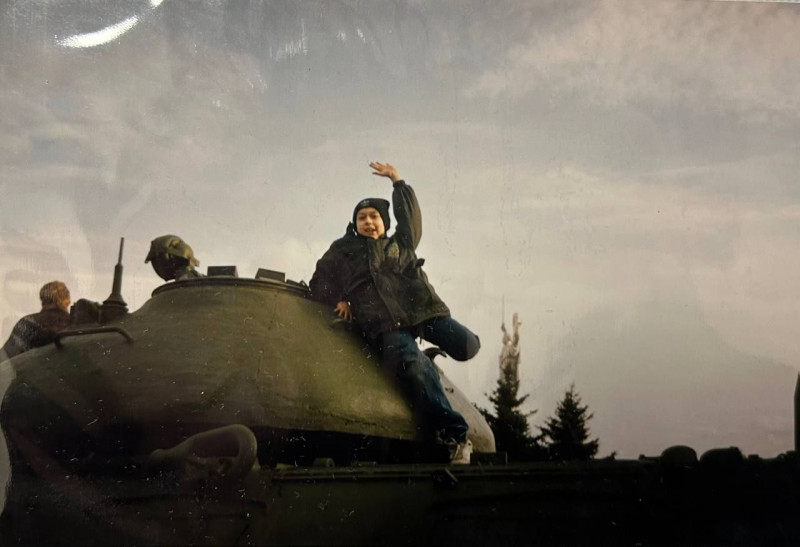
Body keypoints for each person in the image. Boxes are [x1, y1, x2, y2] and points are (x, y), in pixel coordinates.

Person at [309, 162, 480, 464]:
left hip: (421, 311)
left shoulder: (401, 243)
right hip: (385, 324)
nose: (368, 222)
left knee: (468, 345)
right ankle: (455, 436)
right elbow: (319, 279)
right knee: (414, 366)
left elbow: (410, 220)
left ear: (384, 222)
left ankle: (433, 354)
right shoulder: (344, 248)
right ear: (355, 224)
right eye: (362, 218)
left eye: (374, 216)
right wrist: (339, 298)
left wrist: (398, 183)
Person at [1, 281, 72, 360]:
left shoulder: (28, 323)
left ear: (43, 300)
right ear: (67, 300)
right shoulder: (74, 324)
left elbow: (5, 357)